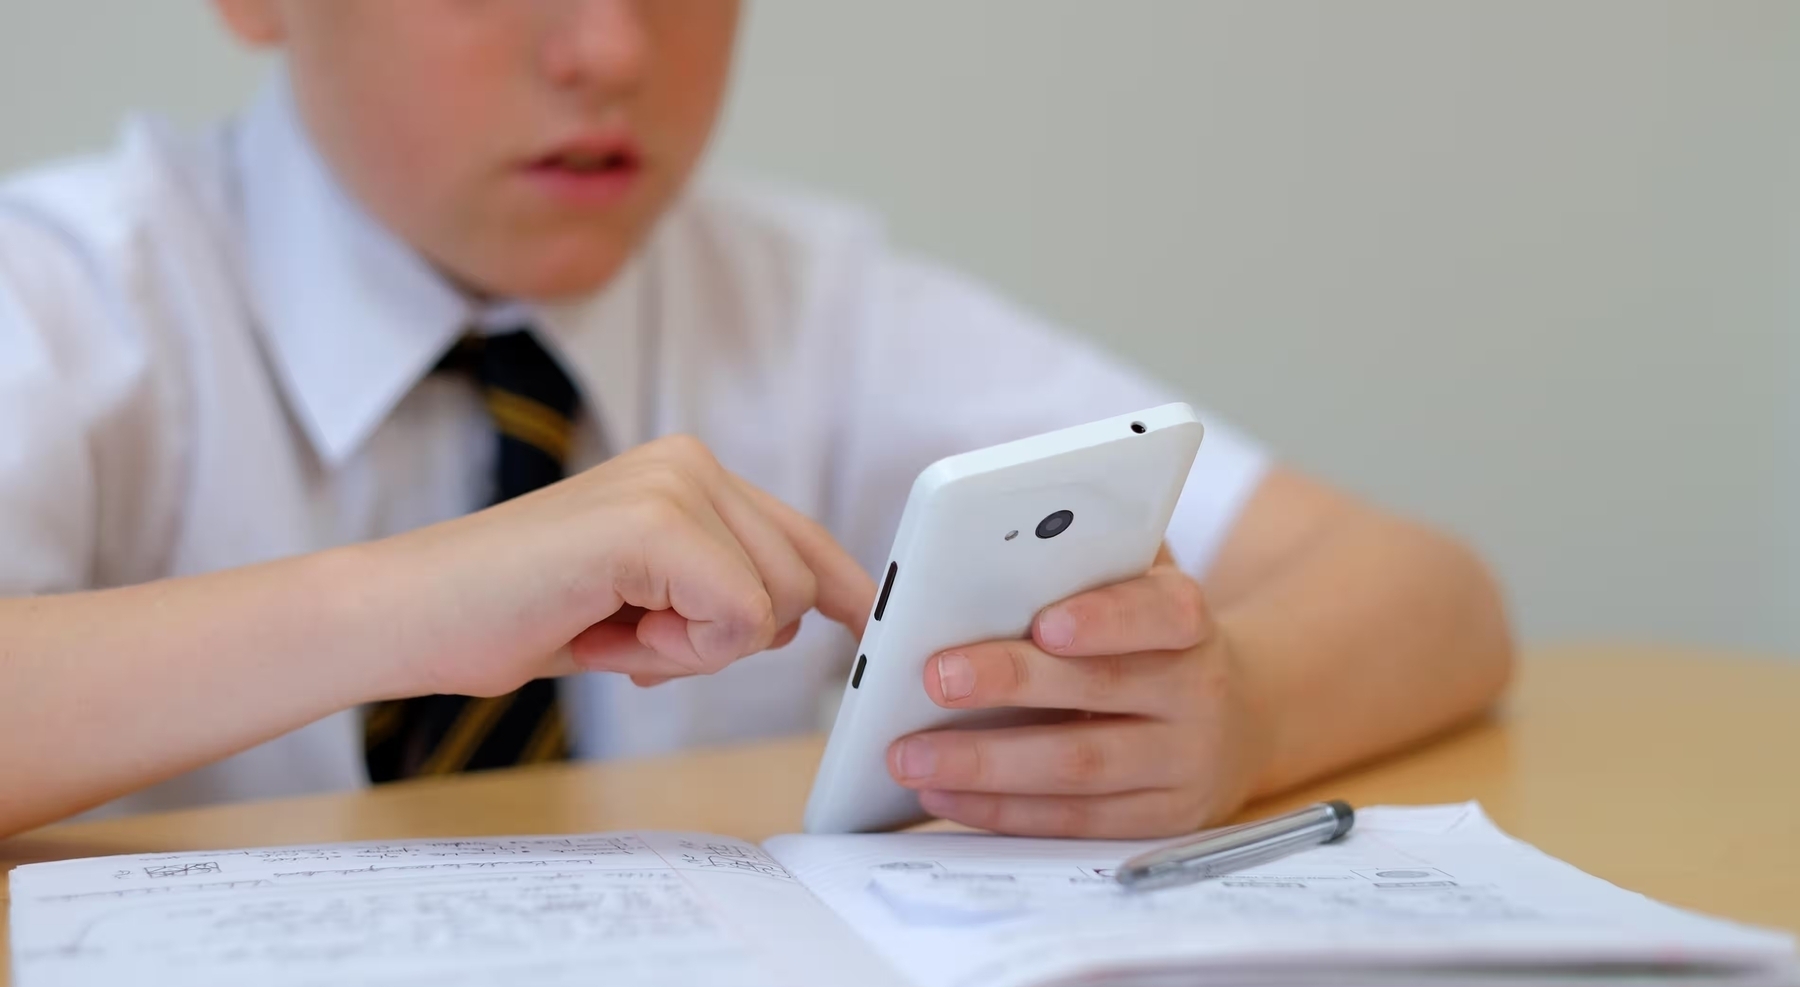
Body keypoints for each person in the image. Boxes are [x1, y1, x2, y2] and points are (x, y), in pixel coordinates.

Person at [0, 1, 1512, 840]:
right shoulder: (70, 292)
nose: (612, 49)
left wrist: (1243, 707)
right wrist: (395, 605)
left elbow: (1433, 596)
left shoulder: (801, 304)